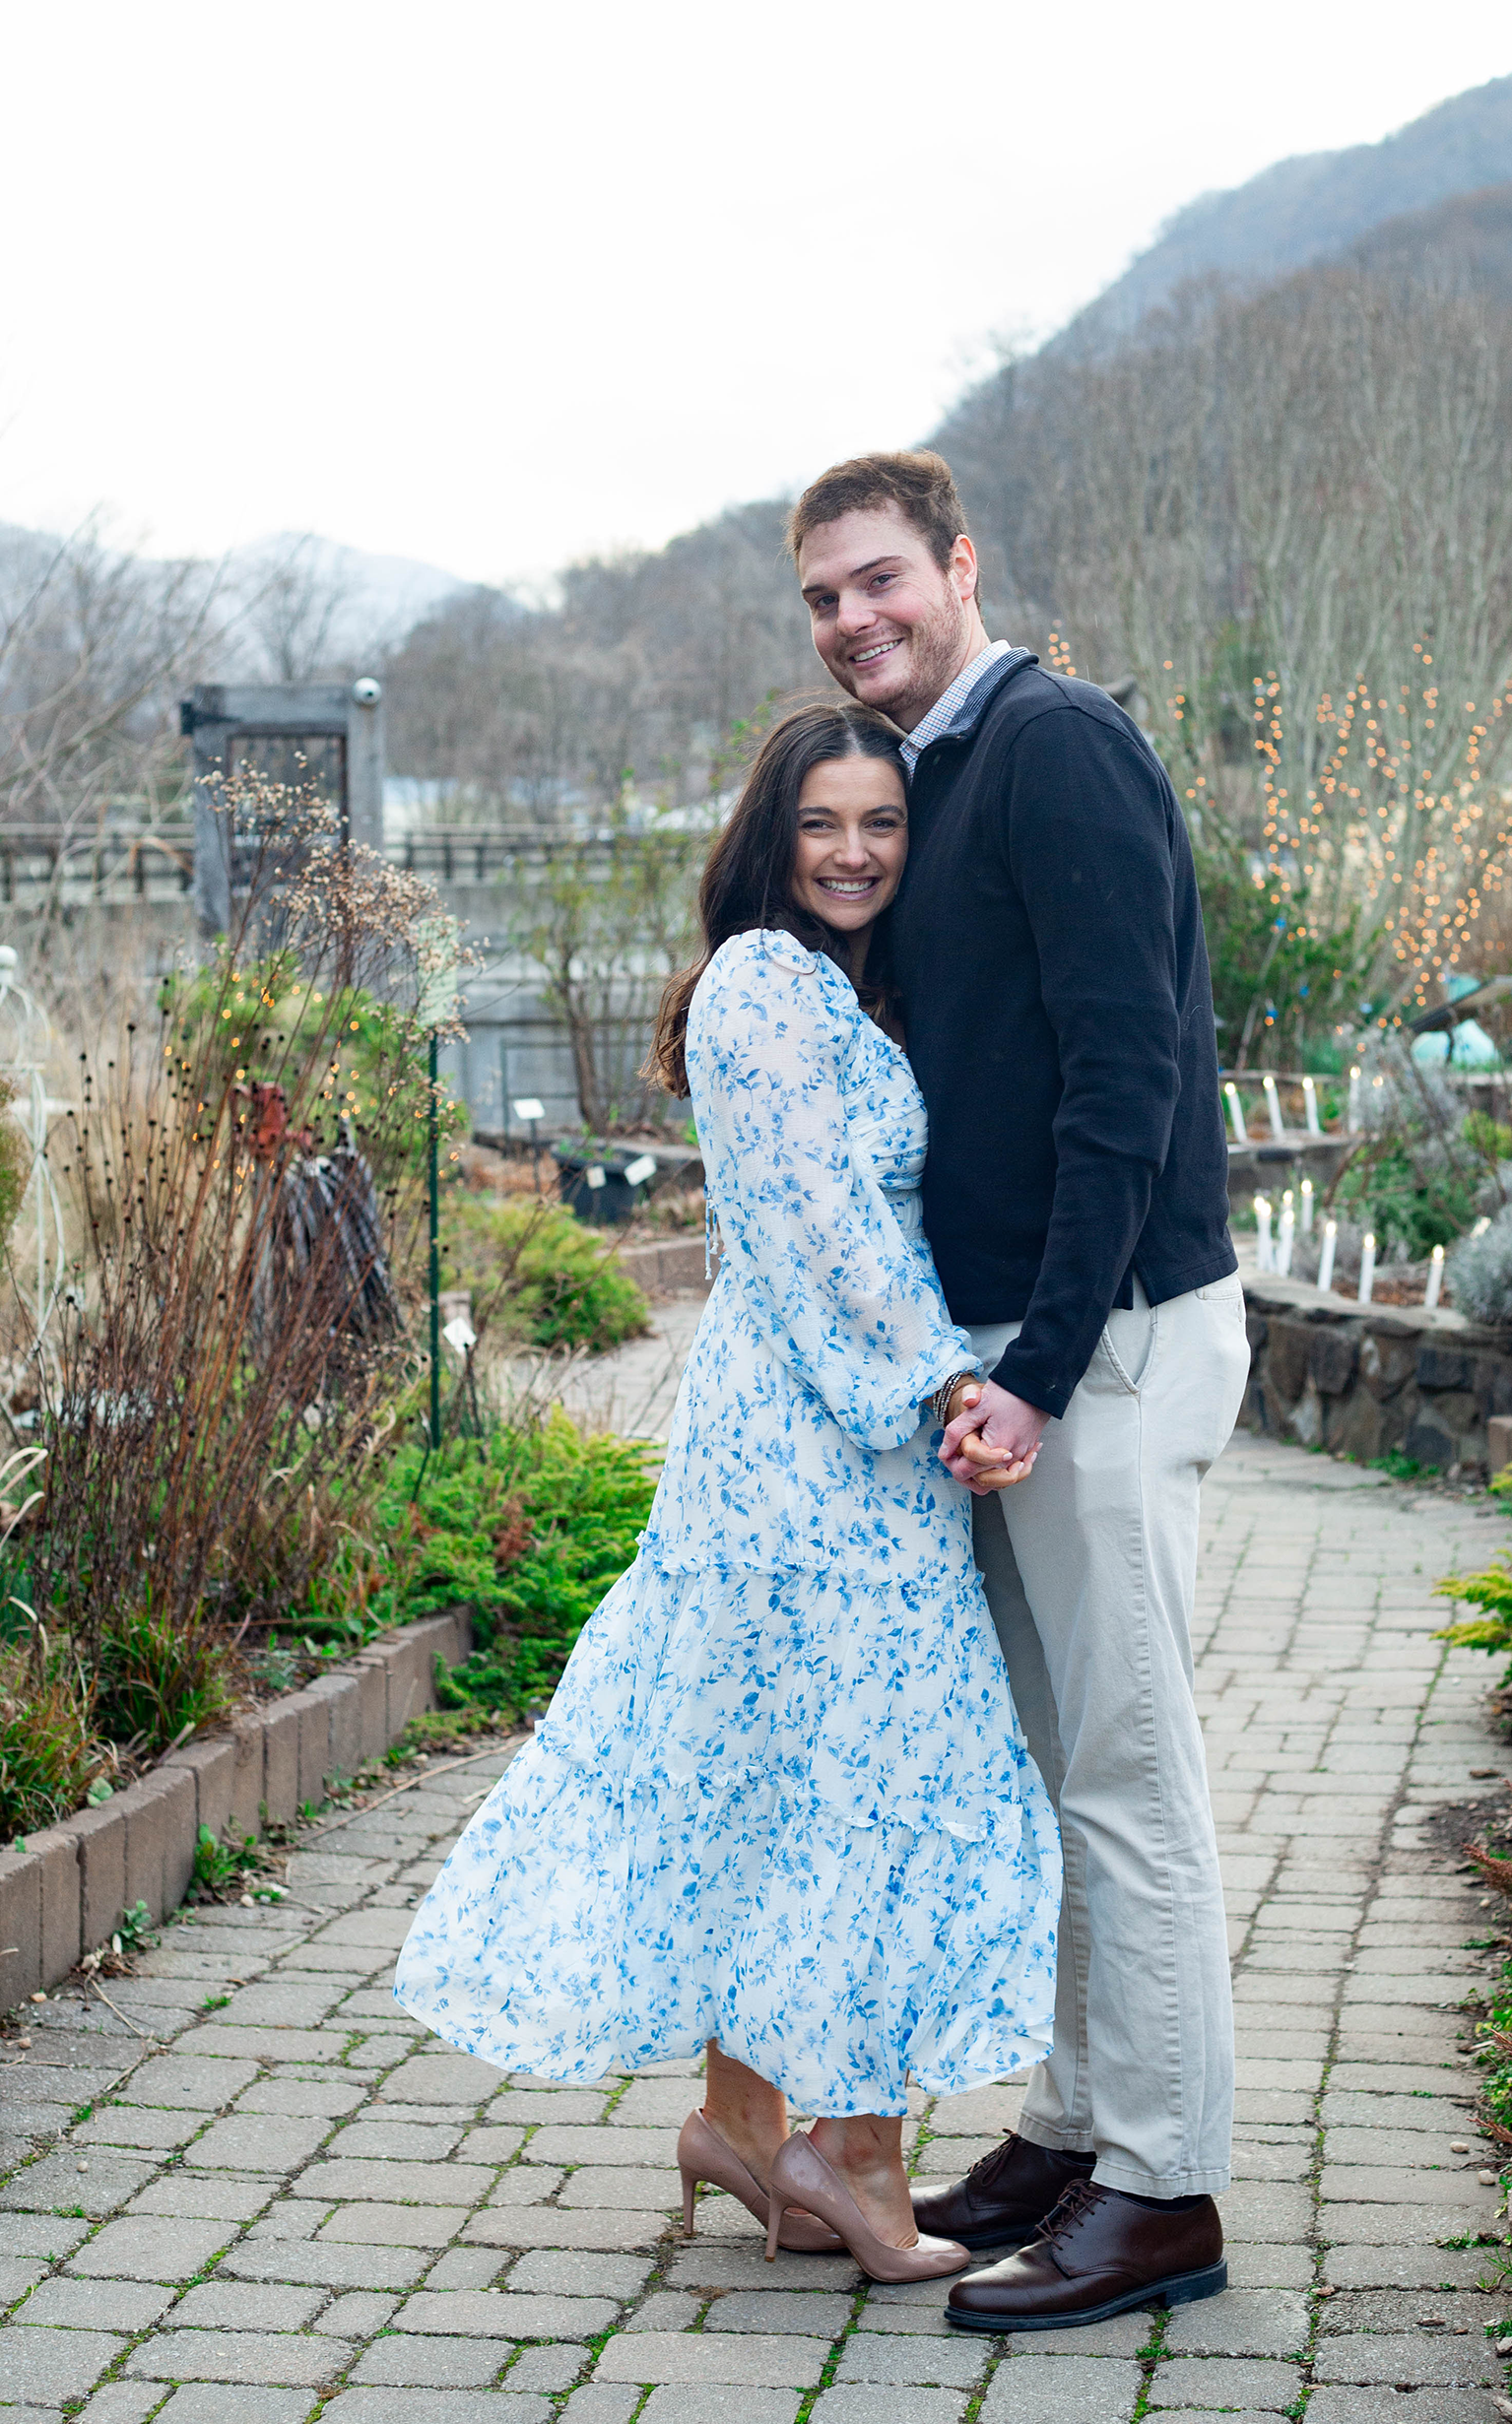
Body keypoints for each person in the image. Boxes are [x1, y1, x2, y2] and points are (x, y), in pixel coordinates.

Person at [391, 701, 1061, 2287]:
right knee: (871, 1769)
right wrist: (946, 1386)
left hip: (845, 1439)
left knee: (798, 1762)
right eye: (822, 824)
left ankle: (751, 2129)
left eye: (881, 825)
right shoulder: (765, 980)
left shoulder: (846, 983)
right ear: (773, 837)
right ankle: (850, 2153)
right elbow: (818, 1219)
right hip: (813, 1446)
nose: (852, 853)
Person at [791, 449, 1250, 2332]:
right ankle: (1078, 2126)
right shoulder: (939, 775)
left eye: (882, 579)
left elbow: (1126, 1084)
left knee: (1132, 1778)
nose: (854, 619)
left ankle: (1166, 2192)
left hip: (1113, 1341)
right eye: (823, 598)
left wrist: (1044, 1371)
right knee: (1064, 1778)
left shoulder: (1055, 745)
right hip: (1027, 1355)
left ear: (962, 564)